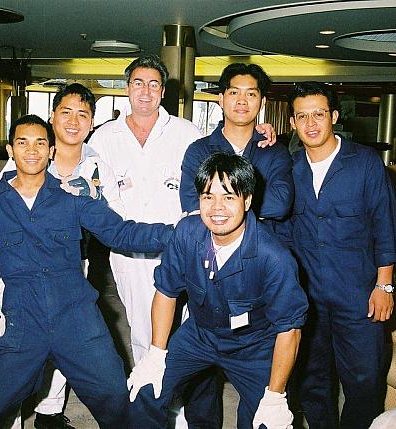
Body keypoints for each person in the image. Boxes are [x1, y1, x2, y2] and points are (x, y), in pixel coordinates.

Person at [0, 113, 173, 429]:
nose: (32, 150)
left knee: (115, 397)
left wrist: (180, 233)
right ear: (10, 150)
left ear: (51, 150)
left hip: (77, 317)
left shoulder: (72, 197)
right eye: (22, 143)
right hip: (21, 318)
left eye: (40, 143)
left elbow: (122, 233)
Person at [88, 55, 276, 427]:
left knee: (190, 332)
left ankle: (187, 415)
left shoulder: (186, 133)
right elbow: (77, 170)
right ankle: (158, 406)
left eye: (154, 84)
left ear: (164, 91)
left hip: (184, 250)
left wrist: (259, 133)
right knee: (144, 332)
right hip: (127, 252)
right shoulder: (104, 138)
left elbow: (229, 168)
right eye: (138, 83)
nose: (145, 92)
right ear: (127, 88)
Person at [0, 83, 123, 429]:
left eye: (83, 115)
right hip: (19, 278)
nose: (74, 121)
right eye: (66, 112)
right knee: (11, 382)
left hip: (72, 271)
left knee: (80, 364)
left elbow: (119, 225)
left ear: (92, 122)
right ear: (53, 117)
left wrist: (97, 198)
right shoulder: (28, 151)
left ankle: (49, 415)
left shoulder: (98, 165)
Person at [127, 152, 308, 429]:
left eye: (229, 197)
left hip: (254, 346)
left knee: (266, 422)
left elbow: (290, 330)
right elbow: (166, 291)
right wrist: (156, 353)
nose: (217, 208)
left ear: (247, 200)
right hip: (199, 334)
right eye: (208, 196)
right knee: (145, 390)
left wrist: (275, 395)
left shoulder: (274, 258)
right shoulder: (186, 233)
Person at [284, 82, 396, 428]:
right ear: (292, 122)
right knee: (311, 382)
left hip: (359, 295)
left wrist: (385, 285)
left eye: (319, 114)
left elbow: (384, 226)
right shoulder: (288, 168)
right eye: (302, 116)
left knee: (364, 382)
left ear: (334, 116)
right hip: (308, 298)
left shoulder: (365, 163)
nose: (311, 124)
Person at [180, 62, 293, 228]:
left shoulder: (275, 152)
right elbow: (192, 205)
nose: (242, 101)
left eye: (251, 94)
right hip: (210, 243)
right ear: (221, 99)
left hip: (262, 242)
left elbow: (280, 204)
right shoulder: (198, 151)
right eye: (234, 92)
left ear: (262, 102)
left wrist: (216, 201)